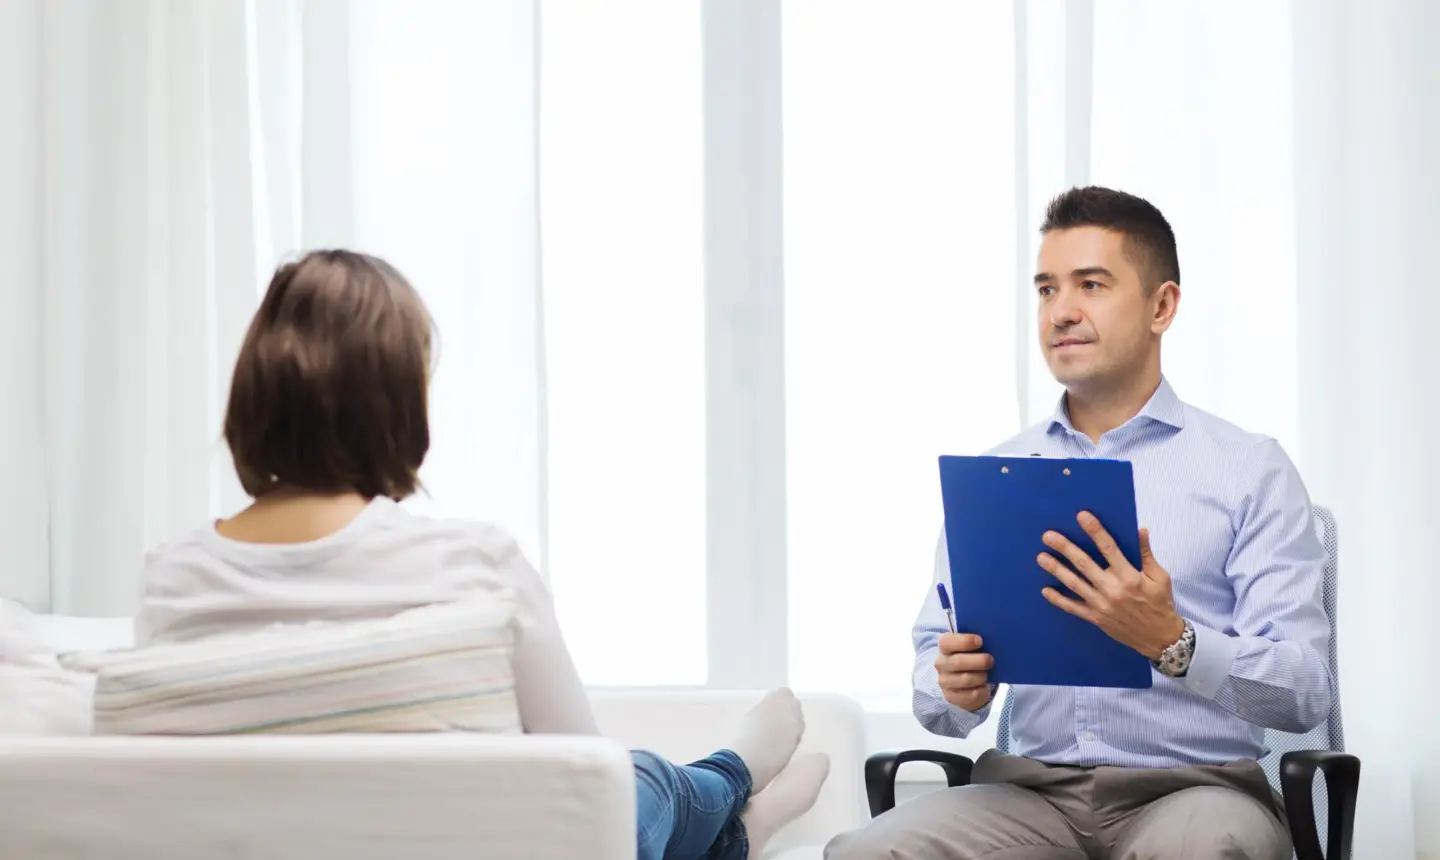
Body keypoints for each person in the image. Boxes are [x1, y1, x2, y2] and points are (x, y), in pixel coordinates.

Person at [135, 250, 830, 860]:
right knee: (637, 777)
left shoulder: (173, 578)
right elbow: (589, 780)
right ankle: (734, 780)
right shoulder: (472, 563)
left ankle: (737, 826)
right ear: (398, 404)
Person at [826, 187, 1333, 860]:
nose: (1060, 311)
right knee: (866, 852)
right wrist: (953, 685)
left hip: (1194, 793)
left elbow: (1305, 692)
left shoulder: (1248, 469)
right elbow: (937, 686)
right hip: (1029, 795)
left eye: (1091, 285)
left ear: (1162, 306)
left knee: (1208, 850)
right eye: (1046, 289)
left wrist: (1174, 641)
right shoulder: (997, 475)